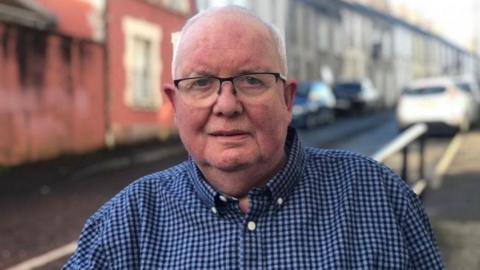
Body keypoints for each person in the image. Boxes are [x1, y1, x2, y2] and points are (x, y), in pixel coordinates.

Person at [64, 6, 444, 269]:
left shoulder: (378, 198)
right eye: (200, 83)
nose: (226, 105)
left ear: (287, 98)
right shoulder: (125, 222)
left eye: (251, 80)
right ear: (175, 103)